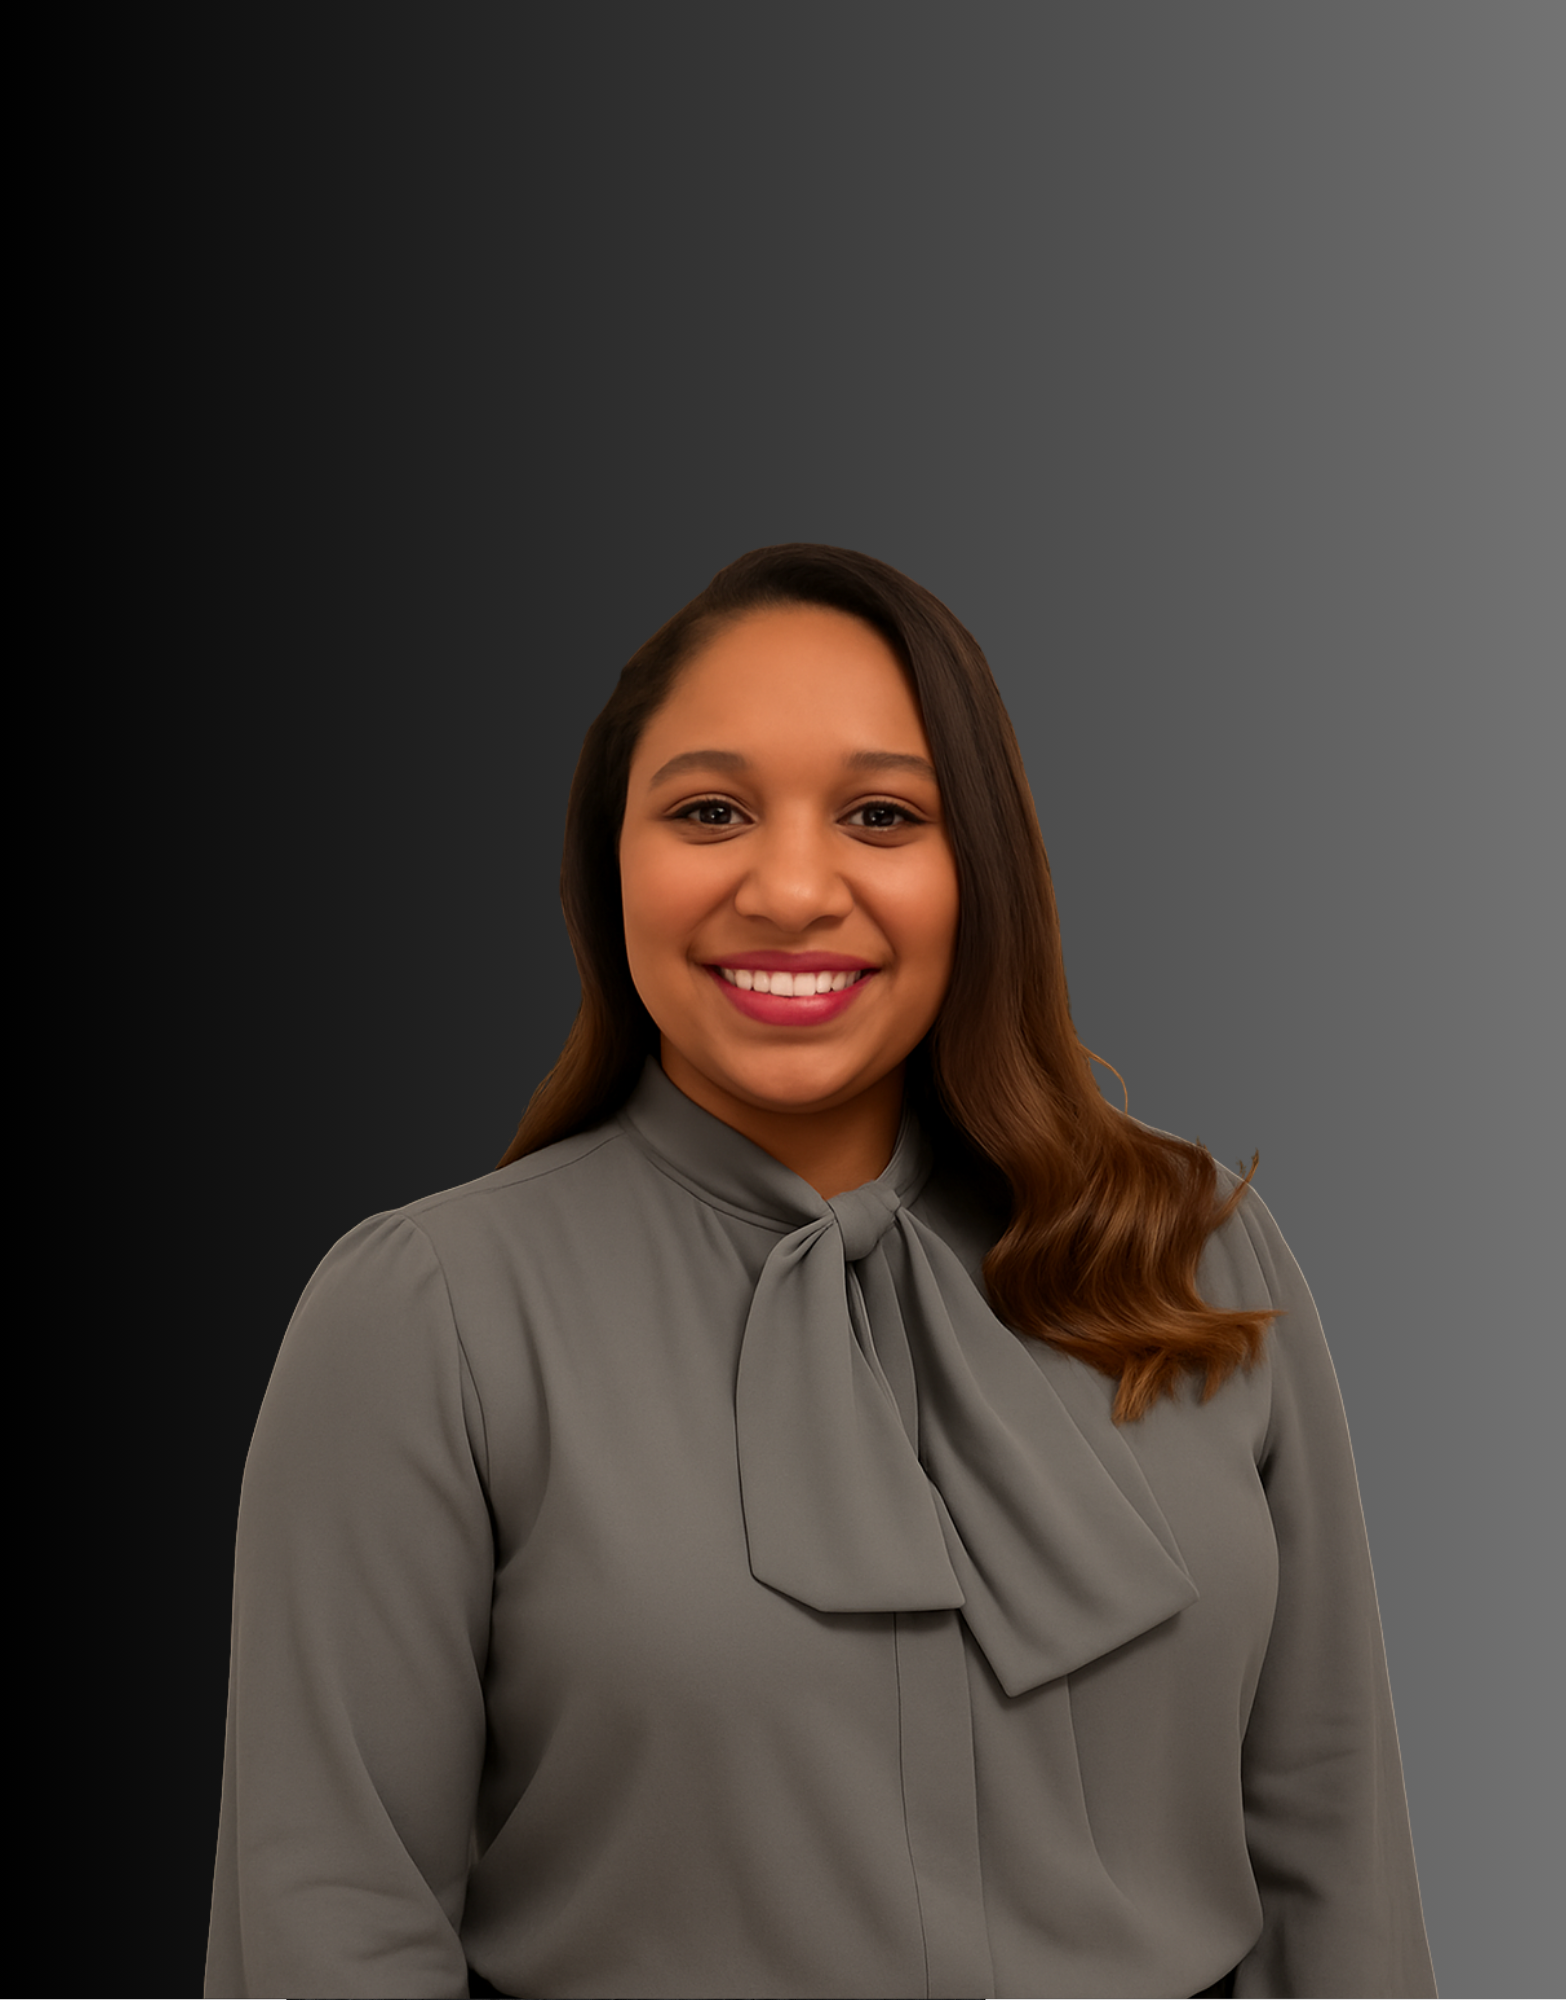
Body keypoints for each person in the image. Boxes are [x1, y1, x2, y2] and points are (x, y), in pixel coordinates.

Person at [205, 544, 1436, 1999]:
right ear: (611, 863)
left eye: (880, 814)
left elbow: (1331, 1849)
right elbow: (330, 1920)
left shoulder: (1190, 1241)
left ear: (975, 864)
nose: (791, 889)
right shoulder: (428, 1316)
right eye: (709, 811)